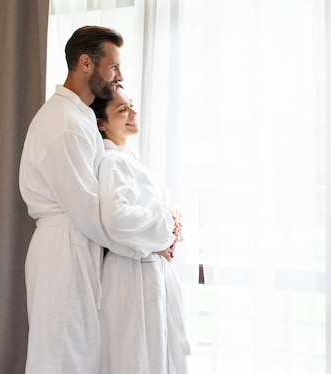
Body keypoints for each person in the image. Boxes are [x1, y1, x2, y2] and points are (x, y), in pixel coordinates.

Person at [19, 26, 159, 373]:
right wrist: (152, 242)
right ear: (86, 63)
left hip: (73, 247)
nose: (120, 76)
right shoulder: (64, 124)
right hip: (63, 253)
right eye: (113, 67)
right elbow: (92, 214)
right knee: (62, 357)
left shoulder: (78, 117)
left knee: (75, 353)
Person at [90, 86, 191, 373]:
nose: (133, 113)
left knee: (151, 357)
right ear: (102, 123)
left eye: (131, 105)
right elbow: (116, 218)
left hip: (146, 273)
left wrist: (172, 227)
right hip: (130, 277)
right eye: (122, 109)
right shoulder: (112, 162)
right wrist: (167, 223)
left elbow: (155, 215)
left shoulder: (127, 159)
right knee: (133, 360)